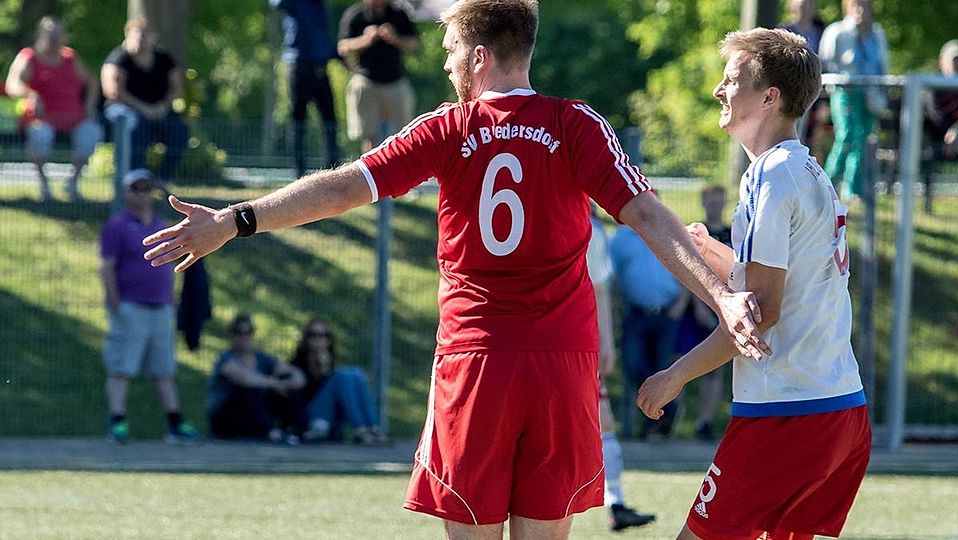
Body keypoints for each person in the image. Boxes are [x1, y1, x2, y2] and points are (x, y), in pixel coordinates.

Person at [142, 1, 769, 537]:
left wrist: (235, 220)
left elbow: (342, 187)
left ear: (479, 57)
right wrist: (720, 295)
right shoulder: (576, 124)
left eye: (450, 52)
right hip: (560, 363)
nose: (445, 65)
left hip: (476, 360)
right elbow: (650, 216)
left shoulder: (448, 127)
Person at [637, 28, 871, 540]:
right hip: (838, 408)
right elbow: (776, 285)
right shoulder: (804, 168)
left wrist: (675, 376)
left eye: (731, 79)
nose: (718, 90)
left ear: (769, 97)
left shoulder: (771, 174)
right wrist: (704, 249)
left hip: (788, 413)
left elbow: (759, 313)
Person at [99, 168, 198, 444]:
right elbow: (106, 266)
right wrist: (115, 301)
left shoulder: (160, 224)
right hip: (130, 306)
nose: (142, 194)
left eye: (146, 189)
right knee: (121, 367)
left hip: (161, 307)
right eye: (137, 188)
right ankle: (117, 422)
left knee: (164, 369)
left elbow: (169, 262)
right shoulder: (117, 226)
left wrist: (171, 296)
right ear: (126, 193)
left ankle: (175, 423)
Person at [585, 212, 656, 532]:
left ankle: (615, 502)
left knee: (602, 422)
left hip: (548, 341)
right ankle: (615, 502)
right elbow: (599, 289)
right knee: (603, 424)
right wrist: (605, 343)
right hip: (574, 343)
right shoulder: (589, 228)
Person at [4, 16, 102, 202]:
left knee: (91, 133)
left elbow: (92, 83)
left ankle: (72, 183)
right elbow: (12, 84)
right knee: (41, 136)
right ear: (40, 34)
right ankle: (44, 185)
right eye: (49, 33)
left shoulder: (71, 58)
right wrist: (31, 95)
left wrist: (89, 105)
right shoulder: (29, 57)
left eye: (58, 34)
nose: (54, 38)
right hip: (41, 118)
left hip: (74, 117)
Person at [609, 220, 684, 439]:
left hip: (666, 314)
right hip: (635, 314)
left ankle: (655, 422)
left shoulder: (669, 231)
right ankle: (666, 411)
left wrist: (679, 306)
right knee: (633, 365)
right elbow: (612, 278)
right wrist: (613, 312)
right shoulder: (621, 239)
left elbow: (687, 268)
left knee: (663, 367)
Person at [672, 185, 732, 442]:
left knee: (714, 369)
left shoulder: (732, 234)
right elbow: (689, 271)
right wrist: (699, 305)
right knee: (681, 362)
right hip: (695, 310)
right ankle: (671, 417)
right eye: (711, 202)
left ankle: (704, 421)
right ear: (704, 203)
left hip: (723, 311)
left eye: (719, 201)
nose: (715, 206)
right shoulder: (697, 234)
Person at [101, 18, 189, 184]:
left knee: (179, 130)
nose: (141, 39)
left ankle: (162, 180)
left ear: (153, 38)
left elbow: (177, 89)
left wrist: (162, 106)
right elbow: (113, 91)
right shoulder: (119, 58)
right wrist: (143, 108)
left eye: (145, 35)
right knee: (136, 126)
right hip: (123, 109)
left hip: (158, 109)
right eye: (137, 35)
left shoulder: (164, 59)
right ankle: (134, 182)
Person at [819, 0, 889, 200]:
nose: (861, 10)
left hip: (870, 93)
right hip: (845, 92)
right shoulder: (837, 31)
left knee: (864, 139)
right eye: (857, 5)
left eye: (865, 6)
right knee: (846, 135)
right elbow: (826, 61)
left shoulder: (877, 33)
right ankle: (827, 186)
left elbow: (882, 63)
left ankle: (853, 190)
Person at [269, 0, 341, 178]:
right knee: (298, 122)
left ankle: (332, 172)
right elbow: (276, 3)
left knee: (330, 122)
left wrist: (336, 54)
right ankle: (299, 174)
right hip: (299, 67)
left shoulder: (319, 5)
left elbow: (322, 32)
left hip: (321, 68)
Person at [207, 314, 306, 443]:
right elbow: (243, 378)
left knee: (285, 389)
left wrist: (292, 382)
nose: (244, 337)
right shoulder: (226, 358)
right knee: (248, 390)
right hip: (225, 417)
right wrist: (275, 384)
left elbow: (292, 372)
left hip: (253, 415)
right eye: (239, 333)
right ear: (232, 335)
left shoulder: (261, 357)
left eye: (248, 333)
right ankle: (270, 432)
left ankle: (300, 430)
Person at [337, 0, 419, 152]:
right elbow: (343, 47)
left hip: (395, 80)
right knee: (370, 136)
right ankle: (370, 164)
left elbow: (414, 44)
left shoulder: (399, 14)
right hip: (367, 81)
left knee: (404, 135)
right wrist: (366, 39)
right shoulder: (356, 15)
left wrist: (395, 38)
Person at [289, 318, 386, 444]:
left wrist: (326, 368)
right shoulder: (297, 365)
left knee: (356, 373)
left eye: (324, 335)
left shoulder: (329, 361)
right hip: (311, 419)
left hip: (331, 417)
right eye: (314, 335)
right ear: (306, 339)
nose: (319, 340)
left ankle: (373, 427)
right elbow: (301, 396)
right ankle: (360, 430)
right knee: (341, 375)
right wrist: (319, 370)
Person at [779, 0, 828, 151]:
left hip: (817, 93)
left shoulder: (822, 31)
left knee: (812, 136)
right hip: (791, 91)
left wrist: (825, 101)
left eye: (808, 4)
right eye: (801, 5)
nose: (805, 9)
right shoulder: (783, 31)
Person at [921, 39, 958, 214]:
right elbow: (936, 117)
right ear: (942, 61)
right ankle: (927, 207)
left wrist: (956, 132)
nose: (957, 64)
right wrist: (949, 137)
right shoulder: (933, 85)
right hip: (936, 140)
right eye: (954, 60)